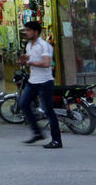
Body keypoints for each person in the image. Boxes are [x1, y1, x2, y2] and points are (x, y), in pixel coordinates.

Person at [19, 21, 62, 149]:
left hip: (45, 82)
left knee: (48, 110)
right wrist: (24, 60)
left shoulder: (44, 45)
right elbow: (29, 58)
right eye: (26, 30)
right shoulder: (28, 45)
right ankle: (37, 132)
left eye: (28, 30)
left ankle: (57, 140)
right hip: (33, 81)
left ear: (36, 32)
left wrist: (30, 63)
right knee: (24, 104)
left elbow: (47, 63)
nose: (26, 33)